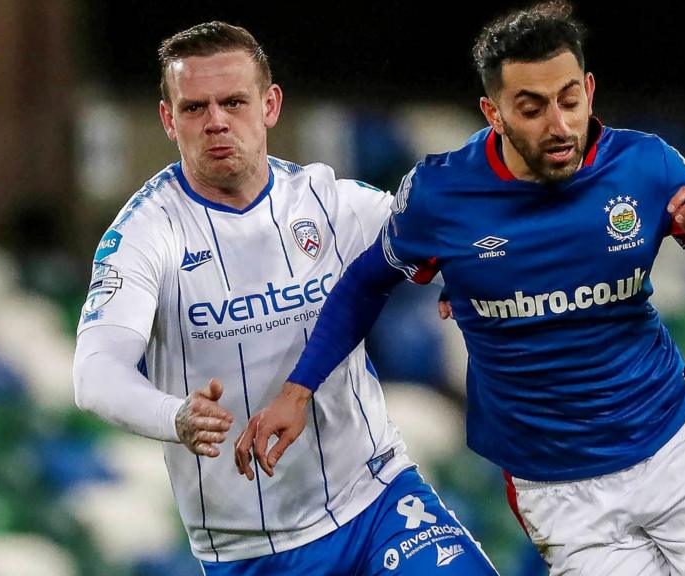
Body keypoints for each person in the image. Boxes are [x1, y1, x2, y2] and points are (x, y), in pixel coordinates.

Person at [236, 2, 685, 575]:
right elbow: (363, 284)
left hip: (677, 451)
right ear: (494, 112)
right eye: (531, 108)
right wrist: (299, 388)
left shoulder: (644, 166)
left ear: (589, 90)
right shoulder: (442, 194)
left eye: (570, 100)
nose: (558, 126)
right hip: (561, 494)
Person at [72, 21, 497, 575]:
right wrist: (174, 416)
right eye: (195, 108)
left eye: (233, 102)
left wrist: (469, 276)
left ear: (270, 105)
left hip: (377, 500)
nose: (216, 121)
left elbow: (456, 238)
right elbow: (95, 372)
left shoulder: (330, 202)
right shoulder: (145, 234)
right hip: (253, 549)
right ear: (168, 120)